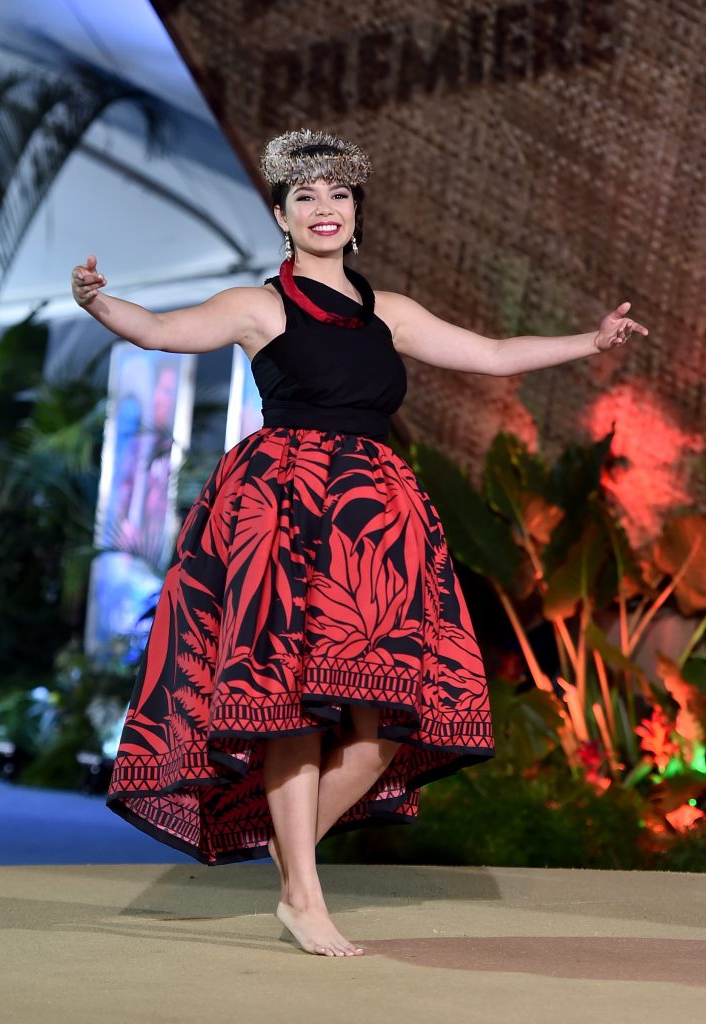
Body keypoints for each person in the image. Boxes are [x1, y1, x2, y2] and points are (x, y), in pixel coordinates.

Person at [70, 127, 648, 958]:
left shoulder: (389, 312)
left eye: (337, 195)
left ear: (356, 215)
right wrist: (99, 301)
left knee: (382, 728)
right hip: (285, 512)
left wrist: (587, 342)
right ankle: (302, 895)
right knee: (291, 707)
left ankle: (289, 852)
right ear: (281, 216)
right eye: (304, 197)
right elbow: (162, 330)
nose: (323, 208)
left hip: (376, 526)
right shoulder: (258, 304)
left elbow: (488, 353)